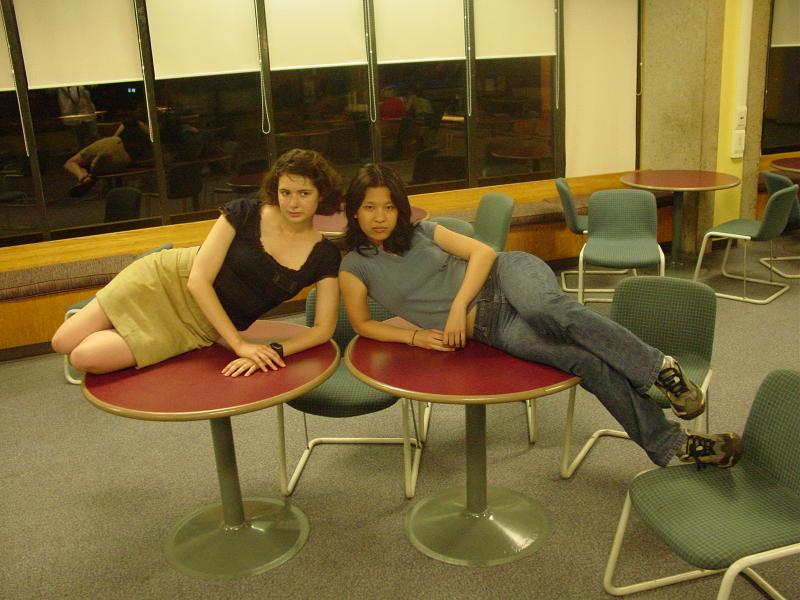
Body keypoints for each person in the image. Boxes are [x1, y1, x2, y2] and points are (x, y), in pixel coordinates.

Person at [338, 163, 742, 469]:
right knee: (583, 361)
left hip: (507, 275)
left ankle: (659, 369)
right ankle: (674, 444)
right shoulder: (355, 266)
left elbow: (483, 253)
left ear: (400, 209)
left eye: (389, 207)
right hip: (492, 326)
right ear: (353, 211)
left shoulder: (424, 232)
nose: (380, 217)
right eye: (369, 207)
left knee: (545, 307)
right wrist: (415, 337)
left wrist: (458, 305)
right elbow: (362, 324)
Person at [52, 149, 343, 378]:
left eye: (304, 193)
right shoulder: (245, 211)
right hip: (165, 279)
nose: (293, 203)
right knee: (61, 342)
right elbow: (198, 280)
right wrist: (239, 344)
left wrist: (276, 349)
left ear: (321, 195)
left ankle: (128, 330)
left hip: (197, 326)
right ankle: (122, 322)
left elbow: (323, 330)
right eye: (285, 192)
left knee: (83, 357)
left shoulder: (324, 255)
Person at [63, 112, 151, 197]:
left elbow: (116, 135)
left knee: (70, 163)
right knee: (93, 168)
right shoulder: (148, 131)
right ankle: (87, 175)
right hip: (125, 159)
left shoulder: (132, 121)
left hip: (114, 144)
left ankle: (83, 177)